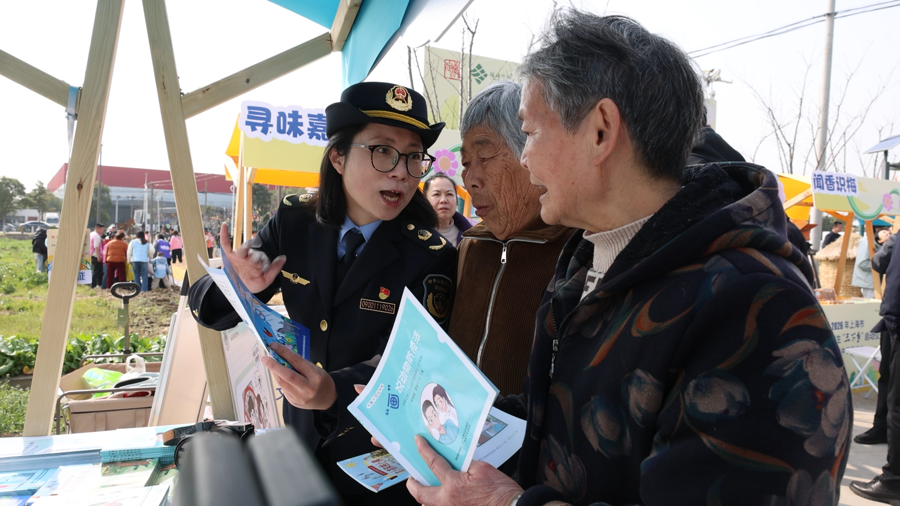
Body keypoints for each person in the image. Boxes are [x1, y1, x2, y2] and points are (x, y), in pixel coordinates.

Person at [400, 11, 849, 505]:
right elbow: (557, 414)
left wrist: (502, 502)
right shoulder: (586, 263)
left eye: (530, 133)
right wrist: (441, 424)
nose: (524, 158)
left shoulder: (755, 306)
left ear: (600, 130)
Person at [188, 82, 455, 504]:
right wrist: (239, 286)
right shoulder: (295, 223)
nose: (402, 172)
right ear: (338, 157)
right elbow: (210, 310)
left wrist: (334, 390)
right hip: (300, 443)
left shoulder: (430, 255)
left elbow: (418, 363)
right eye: (383, 151)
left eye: (413, 156)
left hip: (378, 456)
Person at [451, 81, 576, 395]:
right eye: (465, 163)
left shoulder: (577, 249)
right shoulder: (470, 246)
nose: (470, 179)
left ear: (531, 153)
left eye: (485, 156)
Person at [852, 231, 900, 502]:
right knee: (887, 382)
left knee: (897, 403)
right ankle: (881, 428)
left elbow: (878, 262)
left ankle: (894, 480)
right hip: (892, 322)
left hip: (897, 321)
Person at [423, 172, 474, 247]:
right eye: (436, 194)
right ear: (425, 200)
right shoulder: (413, 232)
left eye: (449, 194)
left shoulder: (473, 235)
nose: (443, 200)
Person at [853, 226, 877, 299]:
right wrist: (881, 266)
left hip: (872, 282)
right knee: (871, 303)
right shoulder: (867, 241)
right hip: (869, 282)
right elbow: (862, 263)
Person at [89, 223, 104, 288]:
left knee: (93, 270)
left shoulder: (91, 234)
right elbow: (96, 247)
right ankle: (95, 285)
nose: (102, 231)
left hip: (90, 254)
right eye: (102, 229)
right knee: (97, 271)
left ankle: (93, 284)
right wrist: (98, 256)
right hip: (96, 255)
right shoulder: (97, 236)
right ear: (98, 228)